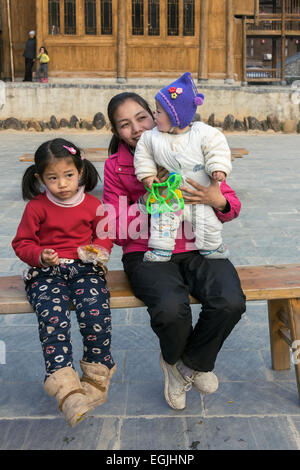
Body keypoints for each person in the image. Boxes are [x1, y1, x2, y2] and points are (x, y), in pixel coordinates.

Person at [103, 92, 246, 411]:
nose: (136, 129)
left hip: (199, 244)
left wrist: (215, 198)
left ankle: (190, 365)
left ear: (157, 115)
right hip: (146, 250)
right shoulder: (117, 167)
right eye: (124, 125)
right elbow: (113, 227)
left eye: (142, 118)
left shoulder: (193, 146)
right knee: (170, 309)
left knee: (230, 302)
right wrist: (145, 204)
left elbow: (231, 205)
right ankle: (177, 361)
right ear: (117, 132)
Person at [12, 138, 116, 427]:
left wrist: (98, 250)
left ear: (80, 172)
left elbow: (104, 235)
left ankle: (96, 378)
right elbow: (22, 243)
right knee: (53, 319)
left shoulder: (94, 205)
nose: (62, 184)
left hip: (85, 268)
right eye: (53, 178)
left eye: (68, 175)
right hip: (47, 272)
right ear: (40, 178)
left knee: (95, 310)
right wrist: (39, 256)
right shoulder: (36, 207)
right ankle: (66, 388)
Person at [134, 72, 232, 262]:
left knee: (207, 223)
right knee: (162, 220)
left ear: (175, 116)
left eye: (159, 112)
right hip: (169, 194)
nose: (154, 115)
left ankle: (212, 248)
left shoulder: (203, 133)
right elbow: (143, 155)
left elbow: (217, 148)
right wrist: (147, 175)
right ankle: (161, 250)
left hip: (199, 194)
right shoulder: (151, 137)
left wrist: (217, 167)